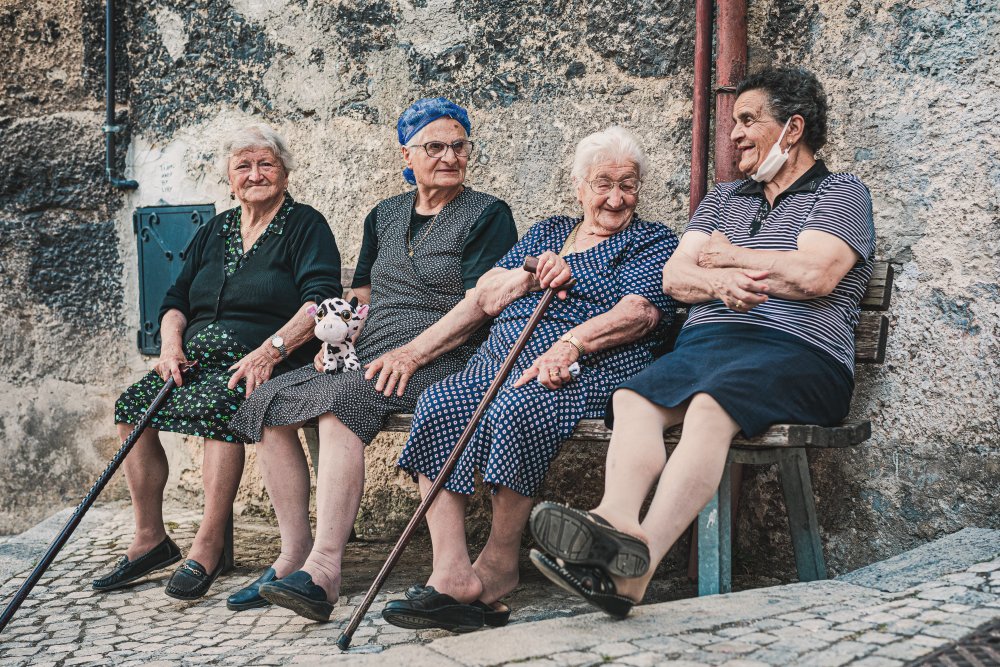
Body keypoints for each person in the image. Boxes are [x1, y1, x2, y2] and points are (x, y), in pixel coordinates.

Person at [529, 67, 876, 618]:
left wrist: (727, 257)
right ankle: (615, 520)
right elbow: (674, 278)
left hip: (800, 354)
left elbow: (815, 276)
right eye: (732, 122)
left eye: (747, 120)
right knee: (633, 399)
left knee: (711, 410)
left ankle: (635, 572)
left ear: (793, 129)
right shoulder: (723, 198)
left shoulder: (840, 192)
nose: (734, 134)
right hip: (710, 346)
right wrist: (715, 282)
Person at [226, 98, 518, 619]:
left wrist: (413, 351)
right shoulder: (383, 214)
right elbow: (359, 297)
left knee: (343, 403)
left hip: (445, 353)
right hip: (373, 352)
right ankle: (293, 554)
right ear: (407, 153)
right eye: (435, 146)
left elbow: (480, 307)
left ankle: (324, 571)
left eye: (458, 145)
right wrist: (335, 344)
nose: (449, 156)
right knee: (271, 399)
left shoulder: (488, 214)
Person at [380, 126, 680, 633]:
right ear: (579, 187)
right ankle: (452, 574)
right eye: (602, 183)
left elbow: (640, 314)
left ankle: (499, 565)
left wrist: (571, 343)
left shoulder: (650, 241)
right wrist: (529, 273)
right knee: (440, 402)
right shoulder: (547, 232)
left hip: (587, 365)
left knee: (519, 407)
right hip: (500, 360)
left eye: (627, 184)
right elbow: (485, 297)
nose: (614, 197)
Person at [94, 125, 342, 600]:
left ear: (284, 172)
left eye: (266, 163)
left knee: (218, 406)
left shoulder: (305, 225)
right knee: (132, 409)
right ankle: (150, 538)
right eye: (243, 166)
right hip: (195, 358)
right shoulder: (217, 229)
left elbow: (320, 300)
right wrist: (170, 346)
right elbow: (175, 300)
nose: (255, 174)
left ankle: (207, 544)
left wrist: (272, 349)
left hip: (268, 359)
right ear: (229, 178)